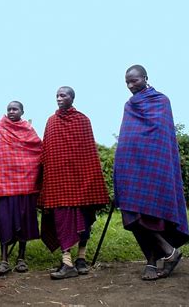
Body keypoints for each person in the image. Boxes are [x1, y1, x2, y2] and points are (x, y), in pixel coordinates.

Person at [114, 65, 189, 281]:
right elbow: (128, 137)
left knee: (153, 215)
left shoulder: (161, 101)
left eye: (134, 81)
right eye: (127, 82)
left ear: (145, 78)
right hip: (132, 168)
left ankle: (157, 259)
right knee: (132, 214)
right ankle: (163, 254)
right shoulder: (129, 105)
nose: (130, 86)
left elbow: (163, 140)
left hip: (155, 169)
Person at [39, 86, 109, 280]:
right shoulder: (51, 122)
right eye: (57, 96)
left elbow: (88, 154)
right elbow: (48, 153)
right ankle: (67, 261)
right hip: (59, 182)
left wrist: (89, 179)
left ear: (72, 97)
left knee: (84, 220)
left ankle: (81, 258)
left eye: (63, 95)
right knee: (62, 220)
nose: (59, 98)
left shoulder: (83, 120)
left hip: (82, 181)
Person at [0, 101, 42, 276]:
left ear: (22, 111)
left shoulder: (28, 130)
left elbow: (38, 150)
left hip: (25, 184)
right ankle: (3, 260)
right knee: (4, 222)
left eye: (15, 109)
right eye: (9, 109)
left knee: (24, 221)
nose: (11, 111)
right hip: (3, 186)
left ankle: (22, 258)